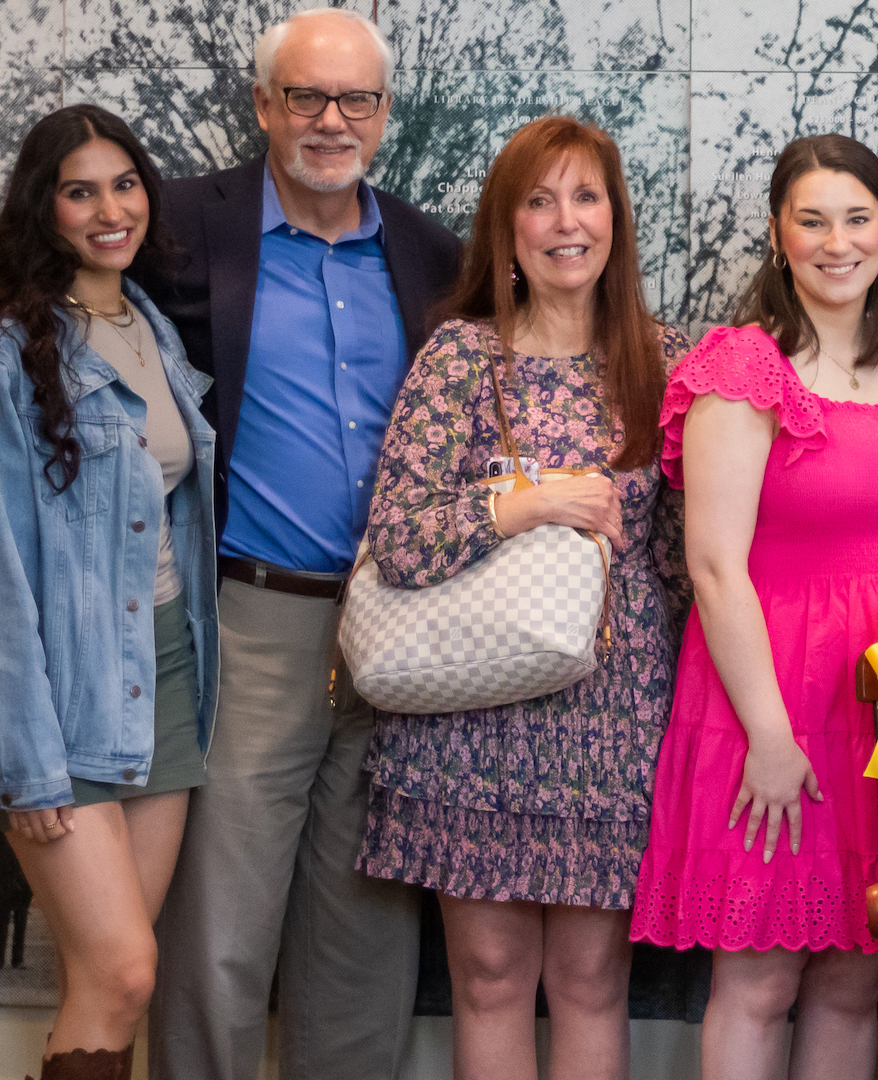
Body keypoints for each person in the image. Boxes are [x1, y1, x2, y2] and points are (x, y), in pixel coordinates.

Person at [131, 9, 463, 1079]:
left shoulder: (425, 249)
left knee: (365, 935)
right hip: (249, 618)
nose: (332, 121)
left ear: (385, 115)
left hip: (397, 629)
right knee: (219, 929)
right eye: (308, 97)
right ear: (264, 106)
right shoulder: (182, 225)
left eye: (356, 100)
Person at [355, 115, 690, 1080]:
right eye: (538, 202)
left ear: (618, 221)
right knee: (491, 974)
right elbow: (401, 538)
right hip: (468, 707)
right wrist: (527, 502)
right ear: (505, 229)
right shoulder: (460, 359)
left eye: (586, 197)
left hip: (614, 713)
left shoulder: (666, 360)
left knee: (591, 980)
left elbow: (682, 559)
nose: (564, 222)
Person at [628, 133, 878, 1080]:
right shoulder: (740, 368)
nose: (836, 241)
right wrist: (770, 737)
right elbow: (713, 564)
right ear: (779, 235)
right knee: (761, 978)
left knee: (857, 979)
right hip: (765, 699)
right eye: (811, 220)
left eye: (856, 218)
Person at [0, 104, 217, 1080]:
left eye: (123, 184)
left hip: (167, 675)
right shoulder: (15, 347)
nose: (107, 209)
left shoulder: (152, 327)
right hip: (64, 696)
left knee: (112, 976)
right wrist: (27, 757)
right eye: (78, 191)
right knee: (122, 967)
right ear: (43, 209)